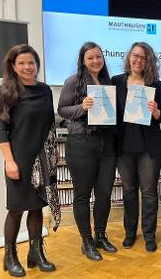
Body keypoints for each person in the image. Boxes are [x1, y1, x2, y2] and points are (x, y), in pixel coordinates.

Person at [0, 44, 57, 277]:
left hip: (41, 157)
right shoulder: (6, 92)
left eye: (31, 62)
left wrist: (53, 151)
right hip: (18, 159)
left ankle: (36, 253)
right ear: (13, 66)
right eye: (21, 63)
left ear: (37, 65)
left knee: (37, 206)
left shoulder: (45, 90)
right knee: (16, 209)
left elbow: (50, 123)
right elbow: (1, 130)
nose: (27, 67)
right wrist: (9, 162)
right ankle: (9, 256)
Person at [58, 42, 118, 261]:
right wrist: (81, 108)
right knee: (82, 195)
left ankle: (100, 235)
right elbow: (62, 110)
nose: (95, 61)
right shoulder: (72, 81)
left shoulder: (108, 83)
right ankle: (86, 241)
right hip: (81, 143)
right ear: (83, 60)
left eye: (99, 57)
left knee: (104, 194)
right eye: (90, 57)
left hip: (107, 145)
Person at [111, 42, 161, 253]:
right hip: (124, 146)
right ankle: (130, 233)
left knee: (150, 193)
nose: (138, 60)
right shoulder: (117, 81)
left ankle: (150, 235)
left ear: (148, 61)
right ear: (129, 57)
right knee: (129, 192)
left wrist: (156, 112)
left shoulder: (155, 84)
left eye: (143, 57)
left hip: (148, 148)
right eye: (135, 56)